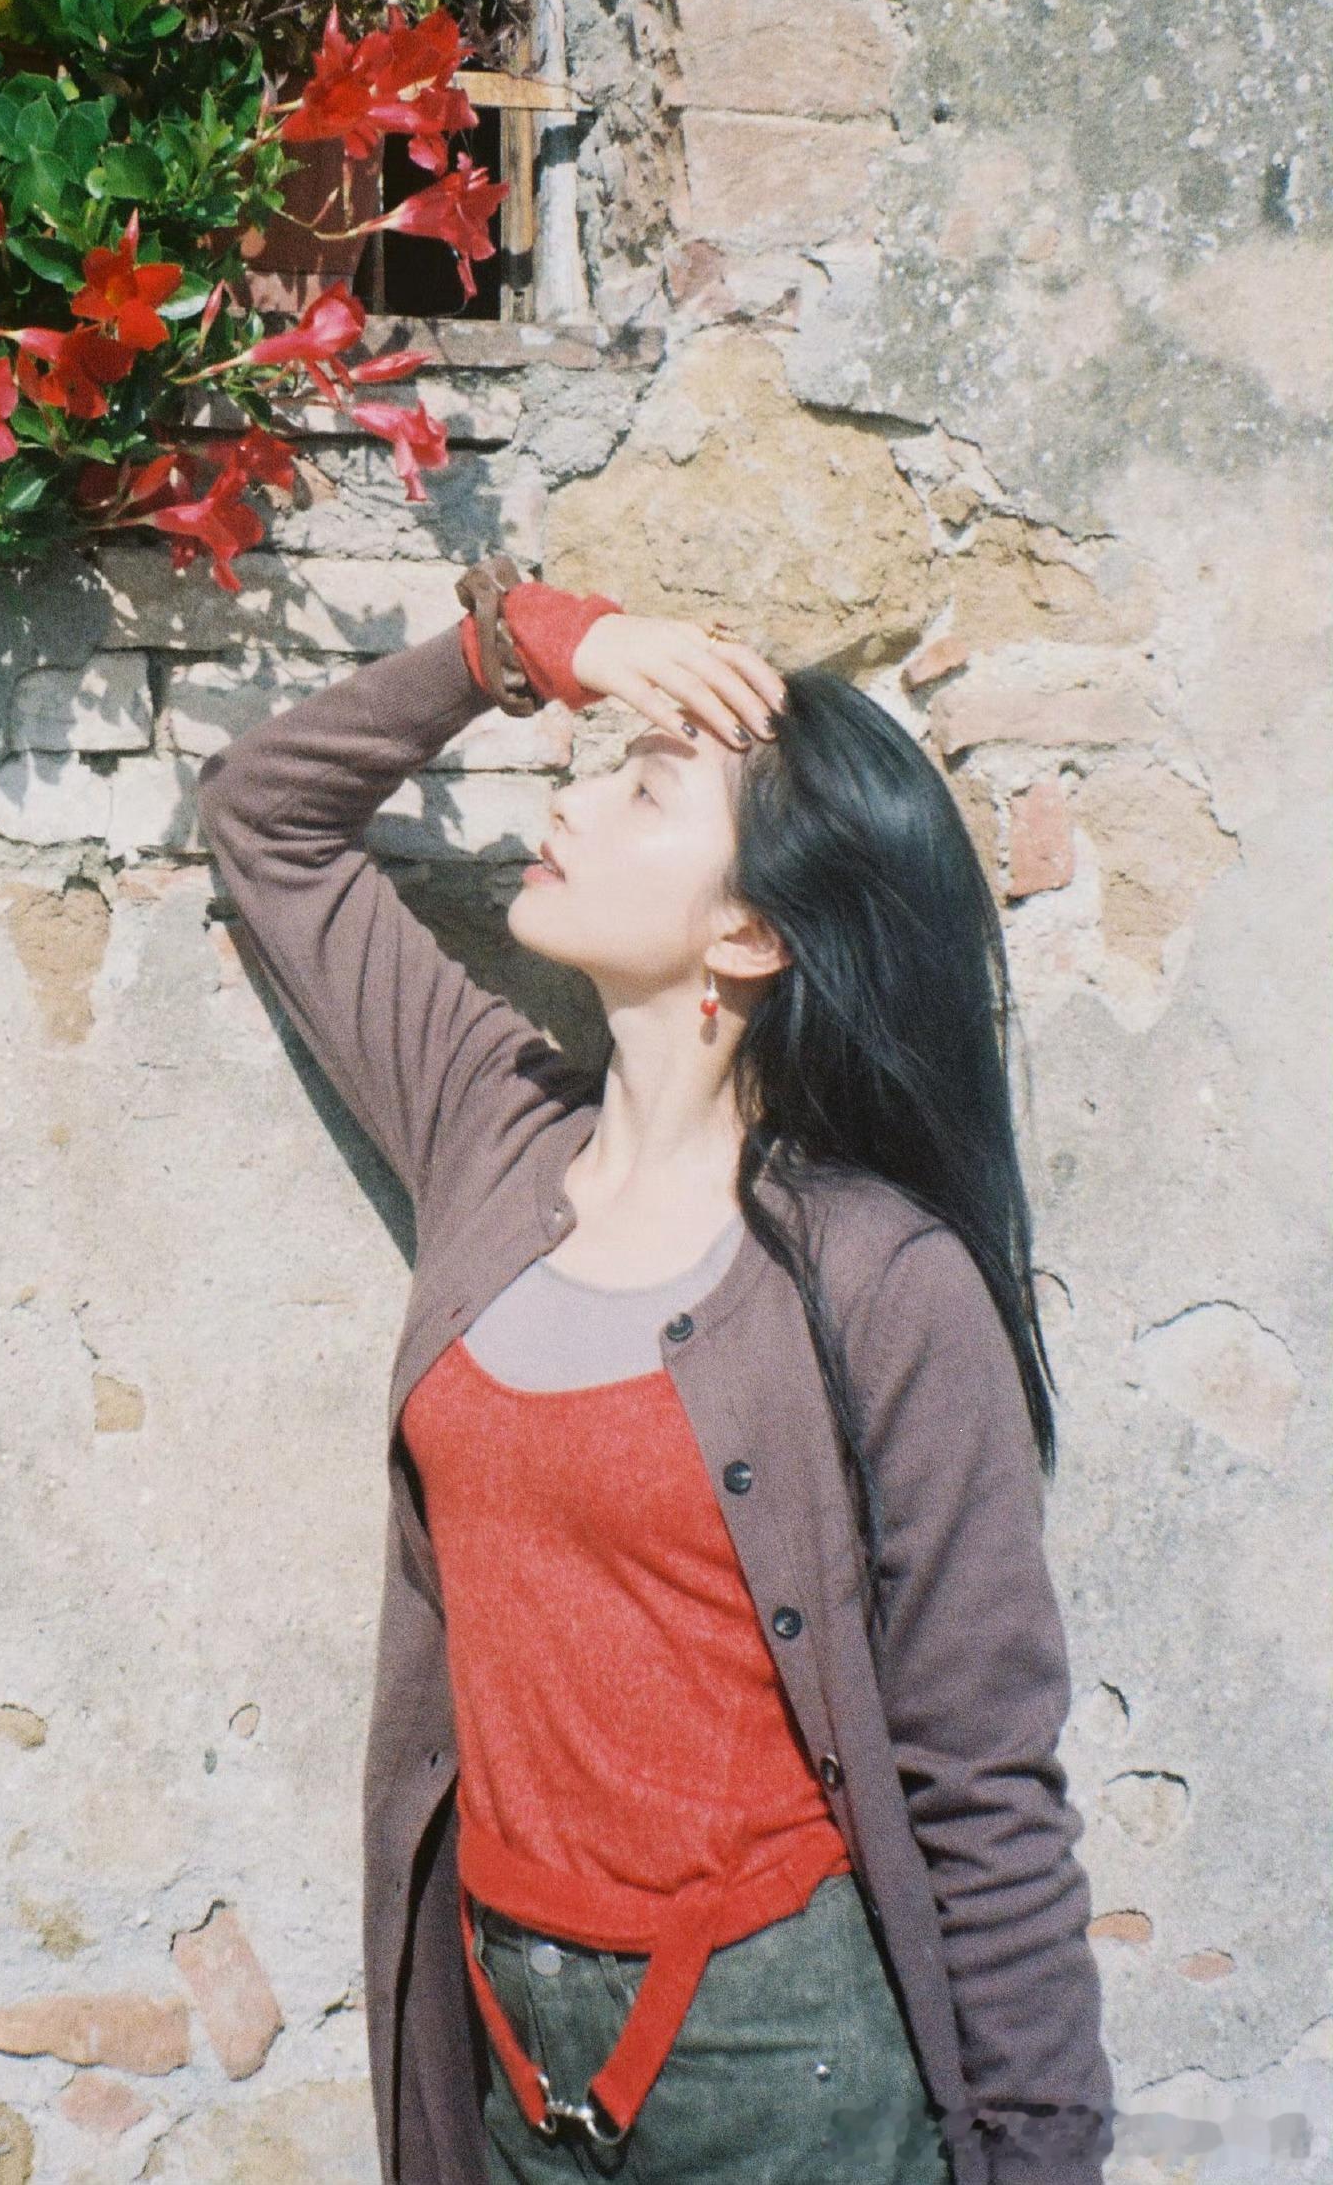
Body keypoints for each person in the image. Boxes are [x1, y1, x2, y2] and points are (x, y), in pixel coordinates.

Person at [194, 552, 1116, 2185]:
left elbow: (984, 1781)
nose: (574, 796)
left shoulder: (883, 1281)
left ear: (749, 929)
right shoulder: (490, 1136)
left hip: (788, 2072)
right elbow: (264, 817)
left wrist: (1043, 2155)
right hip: (509, 2047)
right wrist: (525, 643)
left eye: (645, 787)